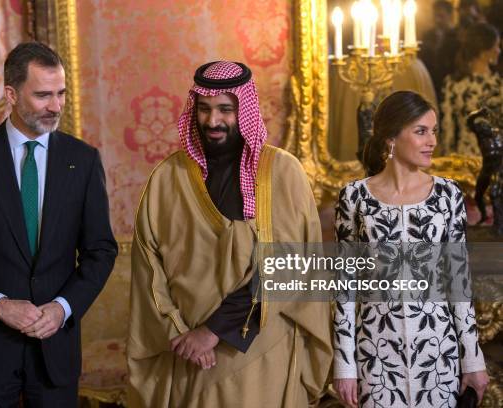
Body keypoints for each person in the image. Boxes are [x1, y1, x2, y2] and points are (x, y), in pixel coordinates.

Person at [127, 61, 332, 407]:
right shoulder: (167, 178)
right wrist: (182, 334)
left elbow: (290, 266)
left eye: (226, 109)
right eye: (204, 110)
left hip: (259, 352)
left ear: (245, 109)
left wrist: (213, 331)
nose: (212, 121)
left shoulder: (281, 173)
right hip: (189, 356)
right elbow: (149, 270)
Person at [0, 42, 118, 407]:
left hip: (55, 354)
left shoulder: (84, 160)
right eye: (43, 95)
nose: (56, 106)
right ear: (11, 94)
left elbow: (101, 251)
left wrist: (62, 307)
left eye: (61, 93)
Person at [333, 91, 489, 407]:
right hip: (376, 355)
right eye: (421, 131)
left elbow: (459, 283)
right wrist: (345, 365)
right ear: (391, 138)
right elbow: (344, 289)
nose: (431, 140)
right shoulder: (355, 198)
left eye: (434, 131)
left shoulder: (447, 195)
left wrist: (472, 360)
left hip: (438, 353)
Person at [440, 22, 501, 155]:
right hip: (469, 159)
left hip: (487, 156)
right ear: (484, 52)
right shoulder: (499, 85)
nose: (499, 50)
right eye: (496, 46)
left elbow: (447, 131)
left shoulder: (452, 83)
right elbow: (448, 127)